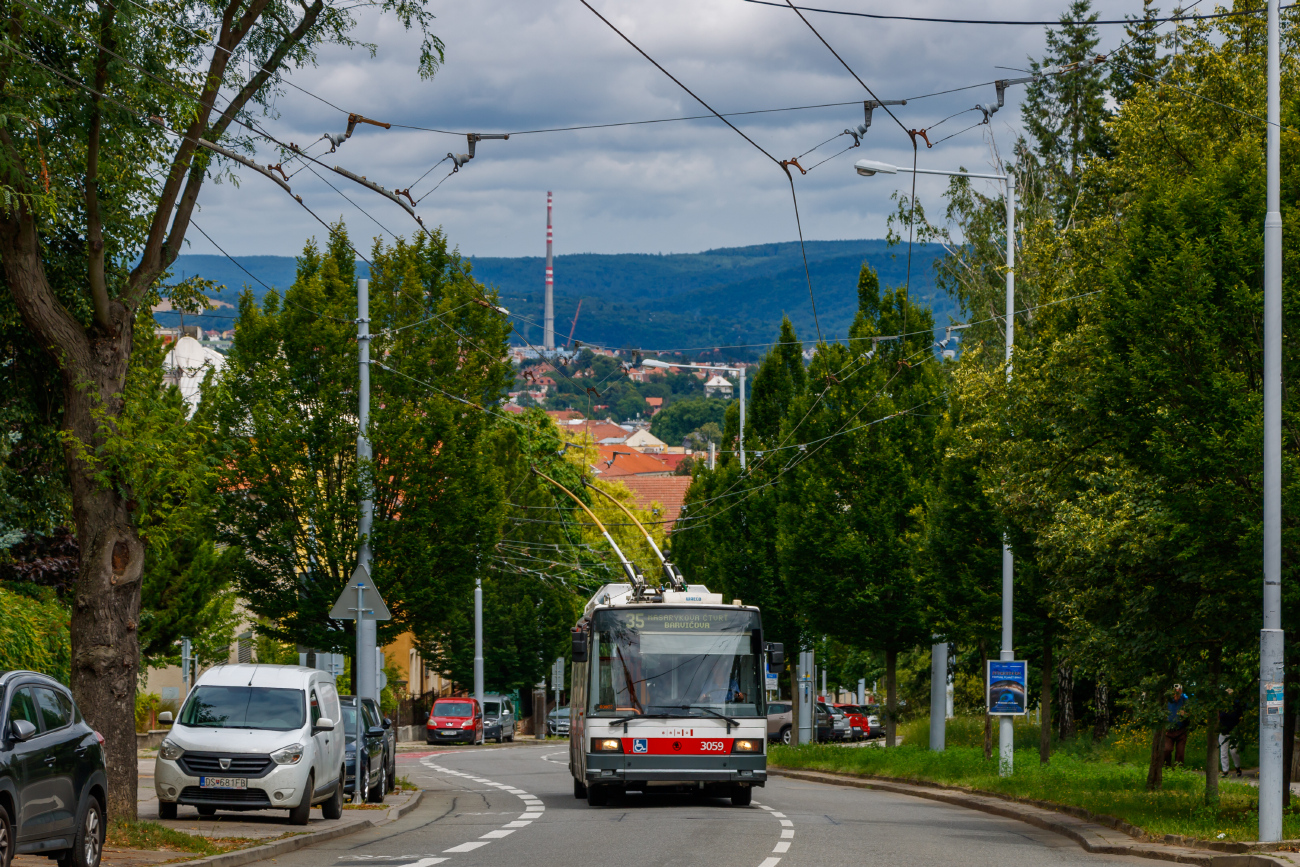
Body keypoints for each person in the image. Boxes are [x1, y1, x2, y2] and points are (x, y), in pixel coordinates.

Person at [1163, 684, 1192, 768]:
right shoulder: (1167, 701)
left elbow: (1190, 714)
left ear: (1181, 691)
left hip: (1181, 730)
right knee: (1167, 750)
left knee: (1180, 753)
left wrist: (1185, 714)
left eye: (1178, 690)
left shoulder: (1185, 701)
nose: (1176, 692)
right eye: (1175, 690)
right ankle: (1166, 768)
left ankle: (1178, 771)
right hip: (1169, 731)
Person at [1219, 689, 1243, 777]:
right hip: (1223, 731)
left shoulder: (1236, 704)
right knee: (1223, 752)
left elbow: (1240, 716)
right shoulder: (1222, 705)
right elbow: (1220, 716)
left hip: (1233, 731)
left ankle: (1237, 767)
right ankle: (1225, 770)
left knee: (1234, 751)